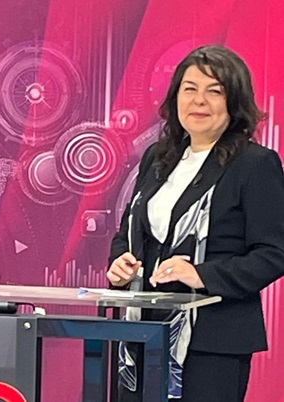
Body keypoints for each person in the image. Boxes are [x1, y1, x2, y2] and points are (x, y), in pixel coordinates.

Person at [107, 45, 284, 402]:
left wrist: (201, 274)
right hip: (142, 333)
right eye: (190, 89)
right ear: (175, 97)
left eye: (214, 91)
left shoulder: (255, 164)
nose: (199, 100)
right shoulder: (157, 157)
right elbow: (129, 231)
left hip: (213, 342)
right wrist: (120, 263)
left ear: (234, 102)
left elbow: (273, 253)